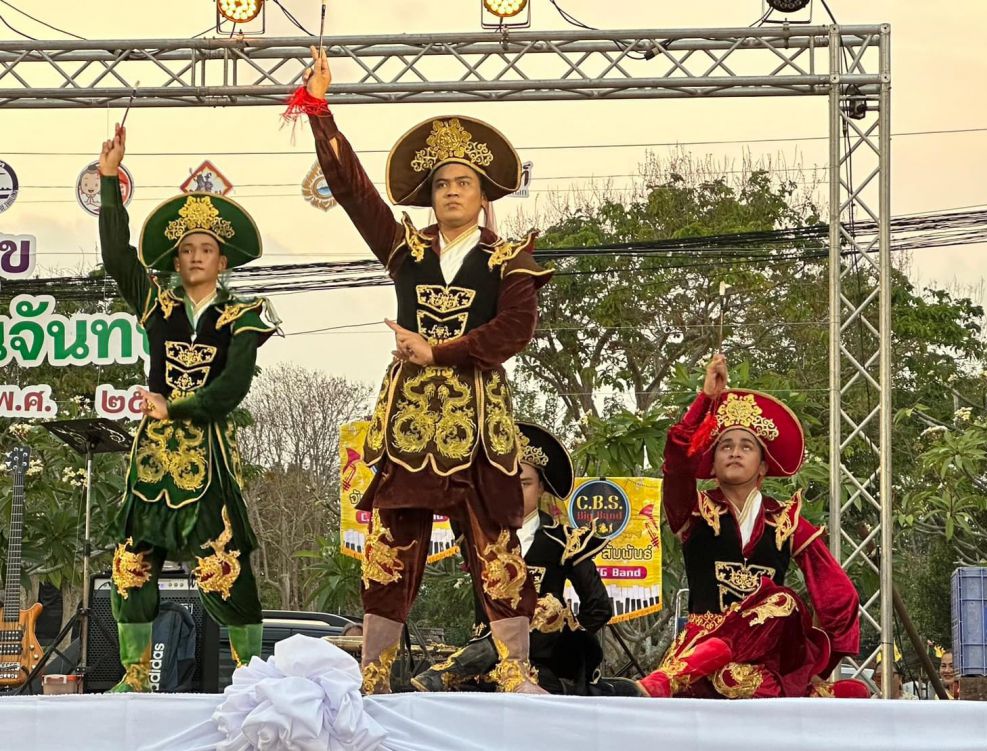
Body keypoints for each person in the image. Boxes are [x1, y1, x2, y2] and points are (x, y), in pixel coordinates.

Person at [297, 48, 552, 694]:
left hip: (479, 423)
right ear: (430, 196)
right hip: (409, 423)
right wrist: (320, 112)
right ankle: (375, 670)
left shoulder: (510, 259)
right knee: (391, 543)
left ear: (484, 193)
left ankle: (516, 669)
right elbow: (353, 192)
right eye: (441, 184)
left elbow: (514, 331)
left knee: (496, 545)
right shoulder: (404, 251)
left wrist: (438, 352)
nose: (451, 191)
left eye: (463, 181)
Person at [98, 124, 279, 692]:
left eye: (206, 249)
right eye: (186, 250)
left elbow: (232, 389)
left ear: (223, 261)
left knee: (225, 562)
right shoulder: (157, 305)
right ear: (175, 262)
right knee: (131, 560)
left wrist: (173, 408)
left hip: (208, 455)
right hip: (151, 456)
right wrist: (109, 180)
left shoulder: (244, 317)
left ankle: (250, 676)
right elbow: (117, 256)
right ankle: (134, 675)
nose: (195, 257)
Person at [638, 354, 864, 699]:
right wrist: (706, 400)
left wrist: (817, 665)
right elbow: (677, 463)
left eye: (746, 447)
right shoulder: (694, 511)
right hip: (700, 651)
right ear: (712, 463)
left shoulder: (785, 521)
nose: (735, 452)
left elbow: (840, 596)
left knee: (783, 605)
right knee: (737, 667)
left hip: (765, 659)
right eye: (725, 446)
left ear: (763, 466)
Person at [411, 423, 639, 695]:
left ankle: (452, 671)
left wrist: (565, 638)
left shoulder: (565, 540)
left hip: (546, 657)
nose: (515, 492)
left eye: (524, 483)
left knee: (545, 608)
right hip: (489, 658)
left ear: (541, 487)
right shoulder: (480, 538)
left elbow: (598, 607)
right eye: (505, 485)